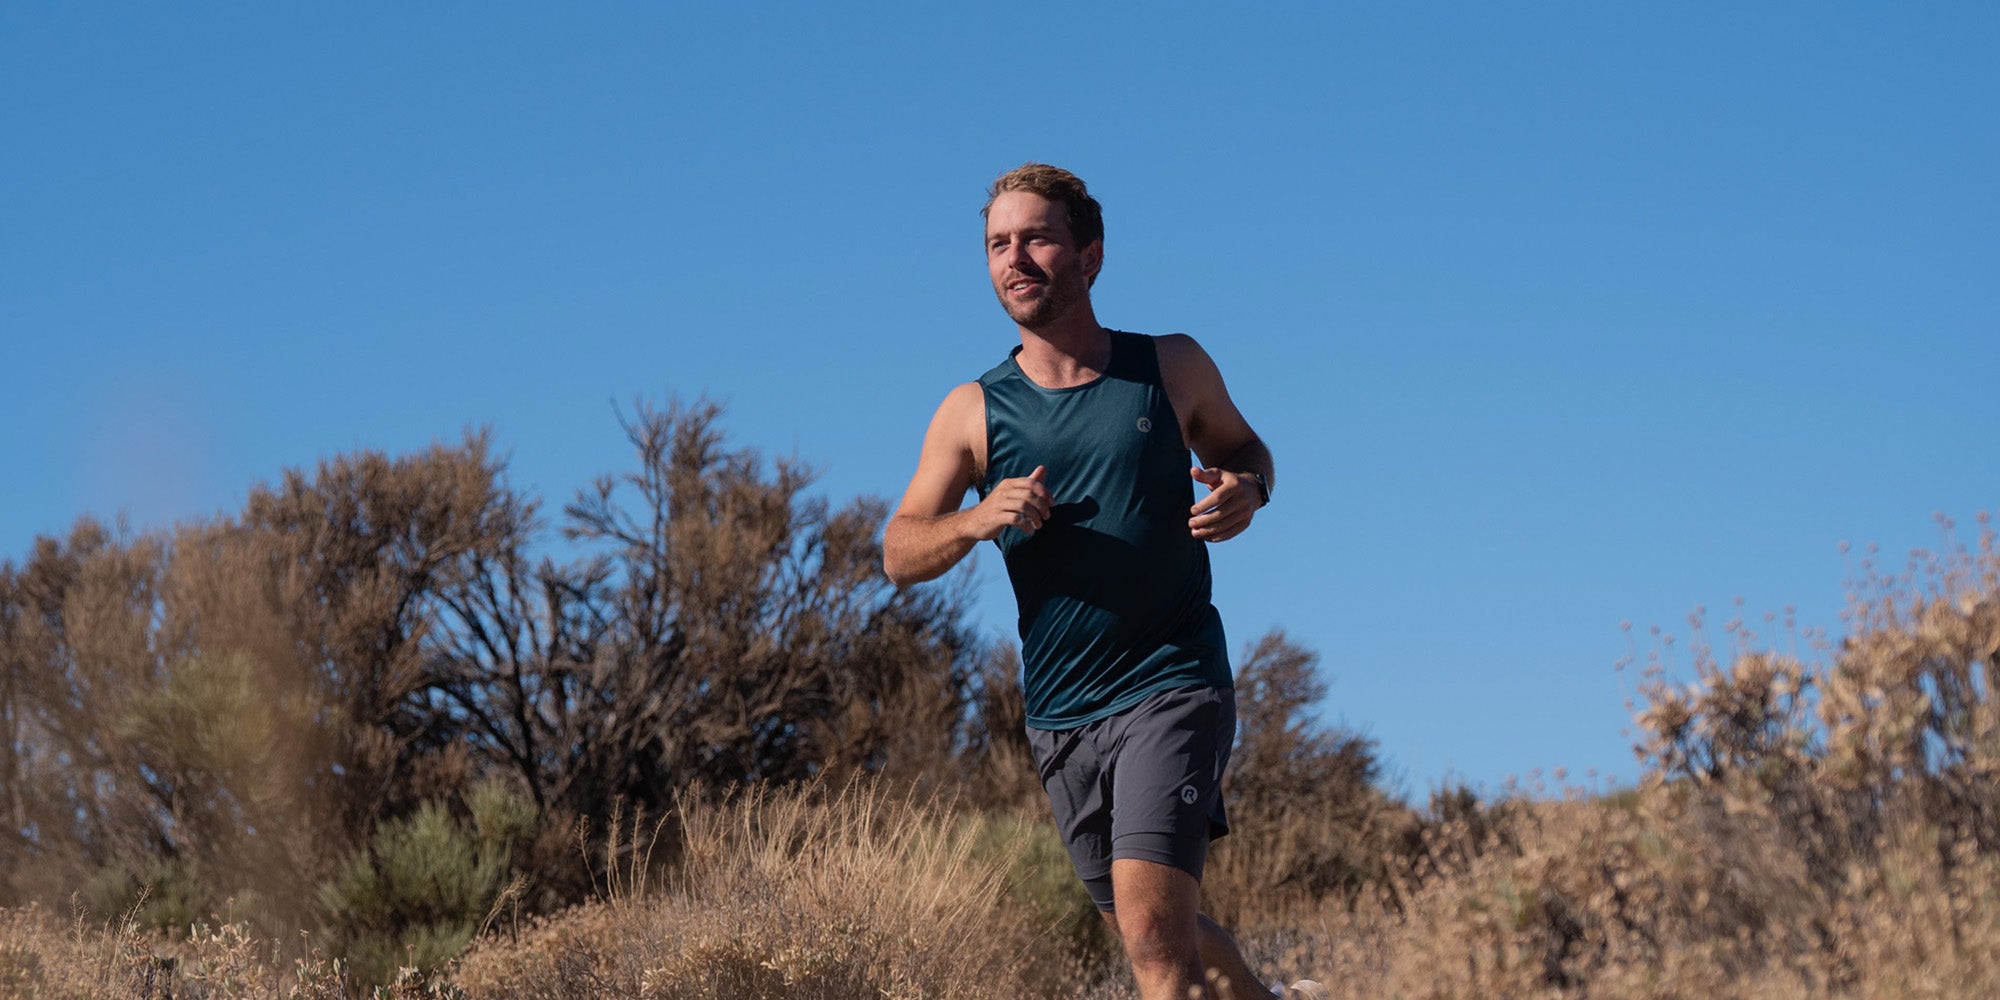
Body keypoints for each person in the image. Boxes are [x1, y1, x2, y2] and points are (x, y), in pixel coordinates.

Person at [883, 164, 1322, 1000]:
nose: (1016, 259)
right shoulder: (973, 411)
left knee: (1155, 936)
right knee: (1151, 925)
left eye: (1037, 237)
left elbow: (1246, 450)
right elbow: (899, 552)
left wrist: (1248, 492)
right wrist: (974, 520)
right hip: (1061, 712)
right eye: (997, 244)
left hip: (1172, 680)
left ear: (1090, 256)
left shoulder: (1169, 366)